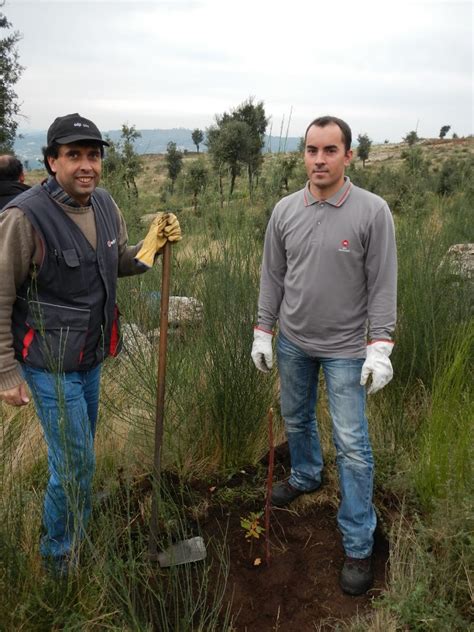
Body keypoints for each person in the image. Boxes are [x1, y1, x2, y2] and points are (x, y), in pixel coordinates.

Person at [0, 113, 181, 574]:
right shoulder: (24, 216)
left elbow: (114, 262)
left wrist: (150, 247)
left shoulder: (103, 204)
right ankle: (59, 558)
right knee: (74, 464)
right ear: (51, 161)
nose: (87, 165)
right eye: (74, 155)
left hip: (91, 355)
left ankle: (75, 520)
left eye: (94, 155)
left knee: (81, 455)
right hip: (48, 364)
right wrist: (6, 371)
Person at [251, 115, 397, 596]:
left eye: (330, 150)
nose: (319, 159)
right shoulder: (285, 211)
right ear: (304, 154)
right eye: (312, 150)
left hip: (346, 350)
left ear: (348, 155)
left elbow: (381, 284)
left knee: (353, 444)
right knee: (295, 416)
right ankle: (307, 474)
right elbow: (273, 276)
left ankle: (358, 541)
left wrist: (380, 346)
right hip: (293, 341)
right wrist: (263, 332)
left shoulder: (372, 212)